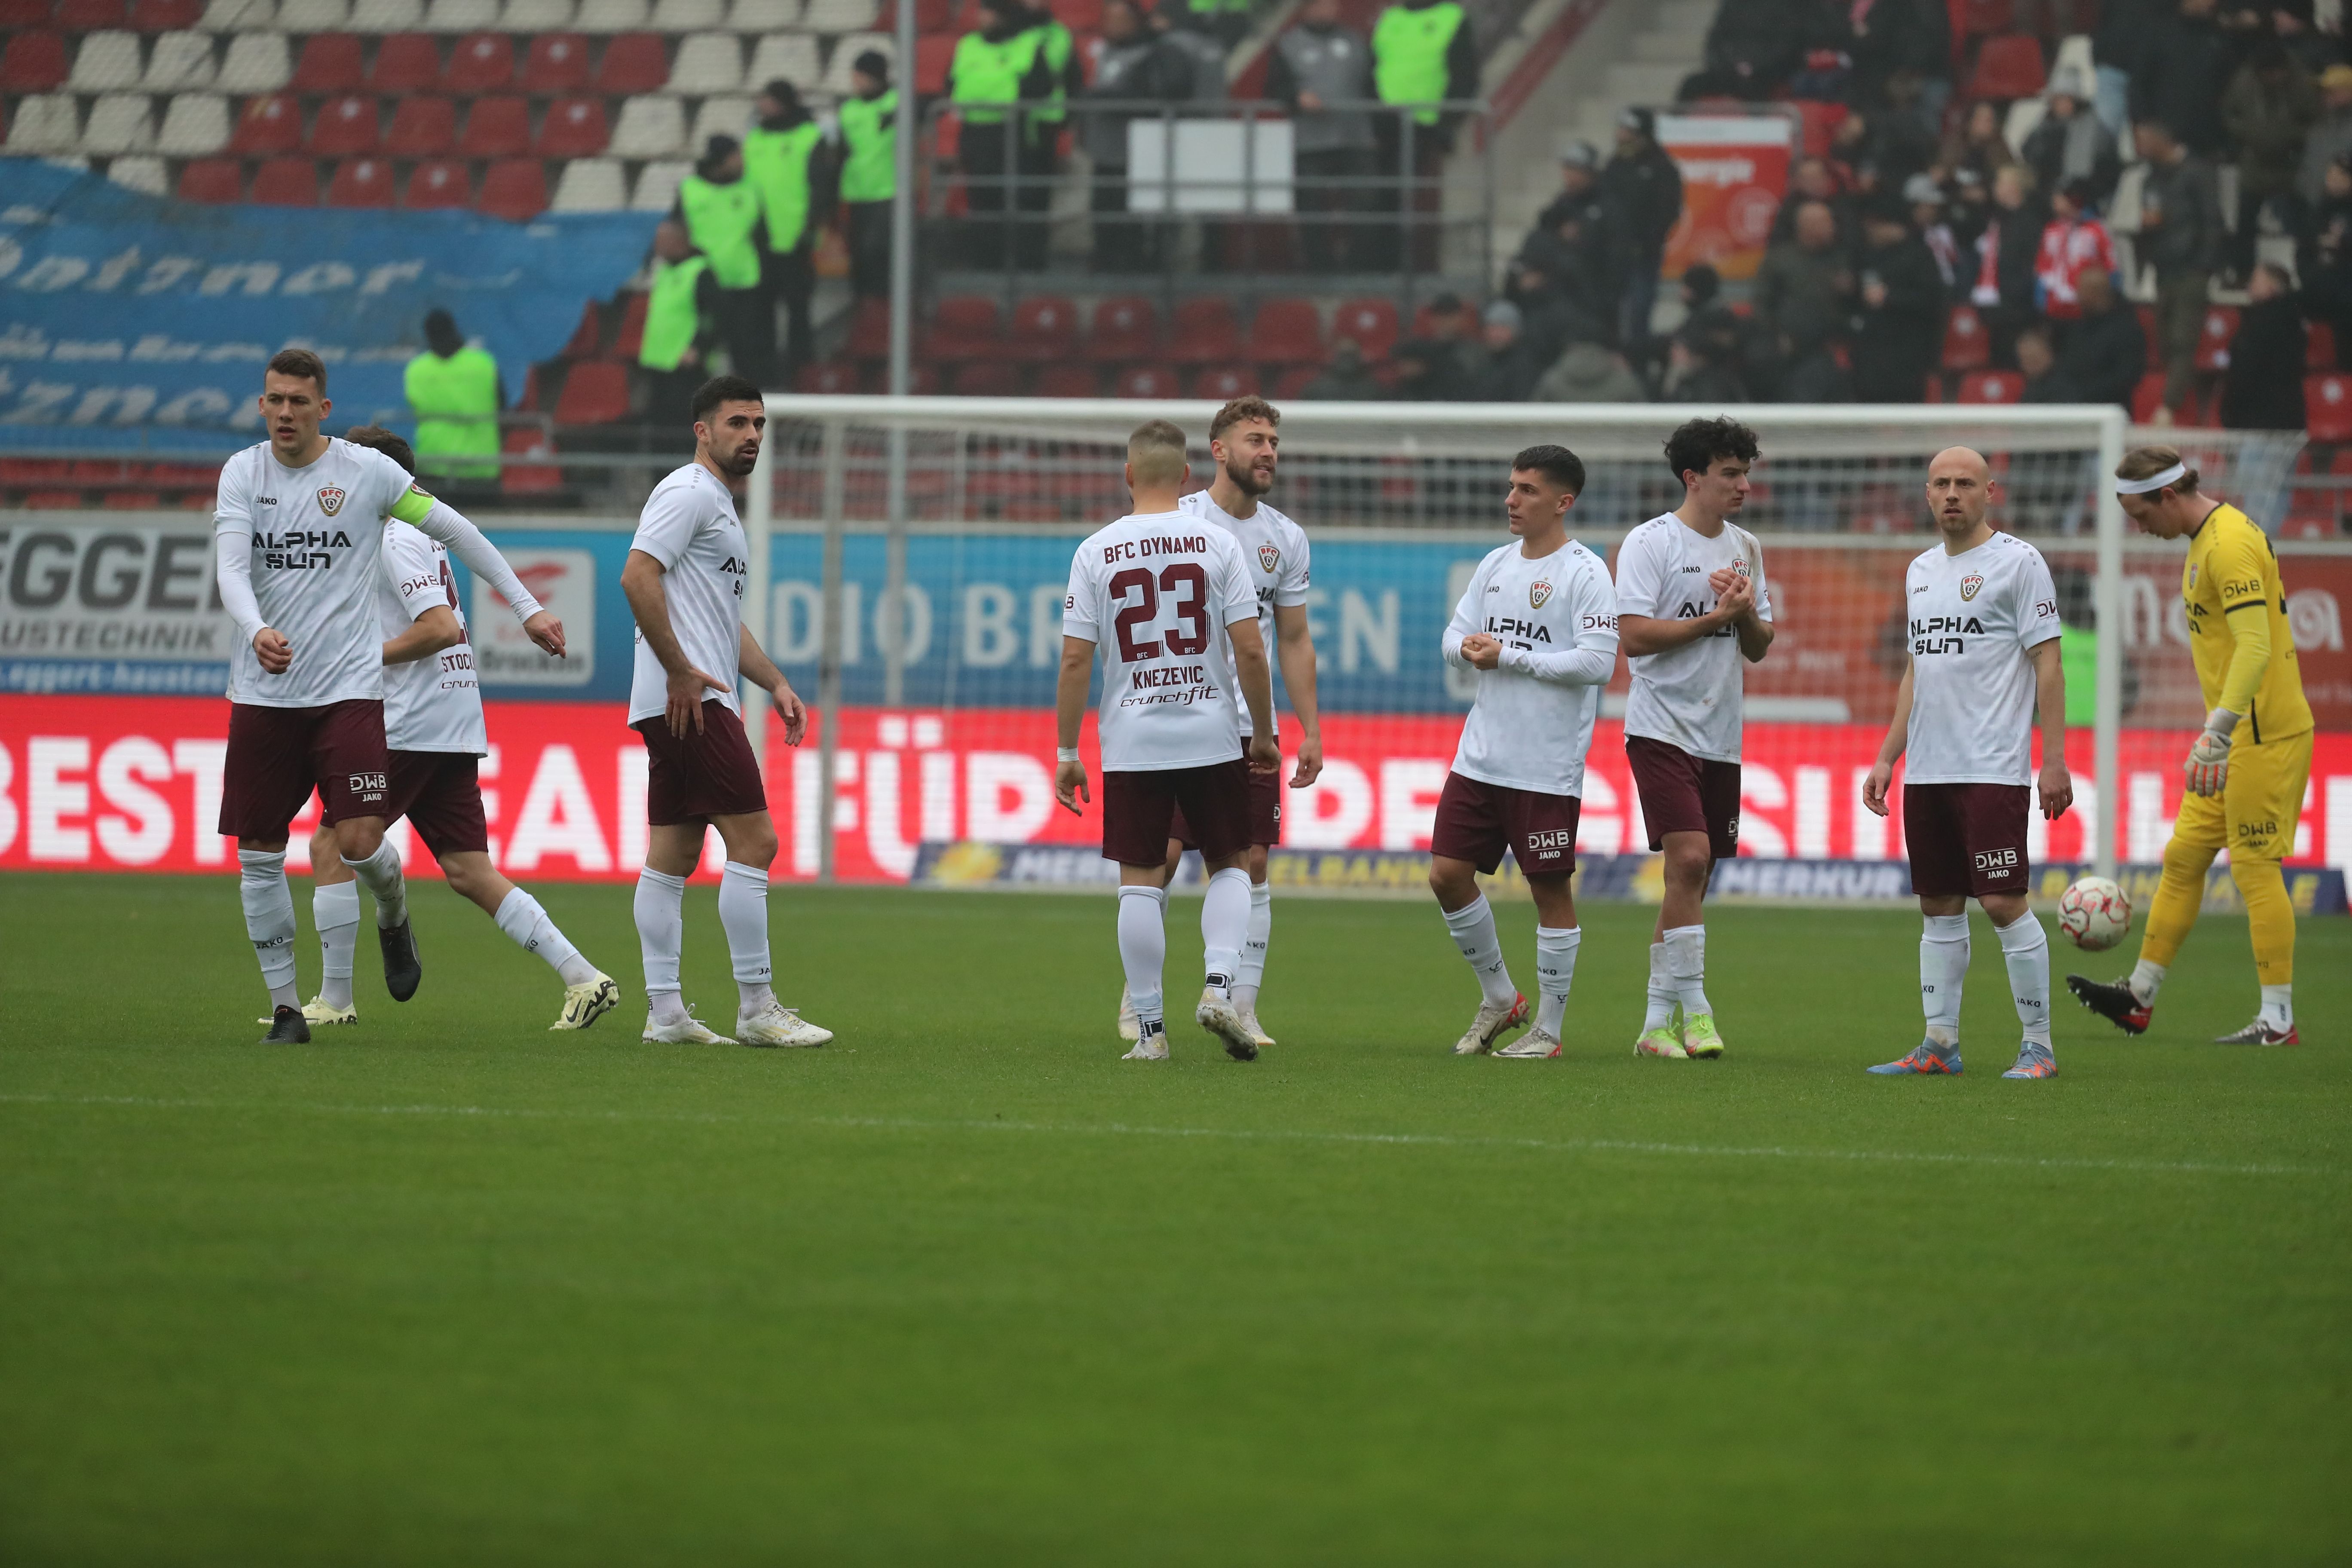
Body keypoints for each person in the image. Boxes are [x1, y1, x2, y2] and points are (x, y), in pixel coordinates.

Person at [213, 348, 562, 1043]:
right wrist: (256, 630)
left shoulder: (367, 473)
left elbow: (458, 530)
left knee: (360, 838)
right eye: (274, 400)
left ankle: (394, 910)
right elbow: (231, 567)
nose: (285, 412)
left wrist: (525, 606)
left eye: (298, 402)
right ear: (262, 405)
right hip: (265, 691)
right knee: (259, 848)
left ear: (324, 409)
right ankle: (288, 1009)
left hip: (347, 692)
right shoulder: (243, 473)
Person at [284, 426, 617, 1034]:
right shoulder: (415, 533)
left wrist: (358, 658)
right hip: (452, 718)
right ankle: (583, 977)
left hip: (407, 721)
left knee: (332, 844)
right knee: (469, 871)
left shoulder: (392, 537)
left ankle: (338, 995)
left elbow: (437, 627)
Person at [2067, 447, 2316, 1047]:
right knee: (2183, 860)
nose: (2138, 527)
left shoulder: (2226, 545)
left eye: (2140, 514)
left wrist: (2218, 730)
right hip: (2233, 738)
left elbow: (2256, 647)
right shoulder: (2208, 539)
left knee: (2257, 869)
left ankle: (2278, 1019)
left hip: (2261, 735)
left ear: (2169, 497)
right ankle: (2139, 997)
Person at [1052, 420, 1280, 1061]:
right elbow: (1251, 650)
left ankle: (1150, 1034)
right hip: (1212, 733)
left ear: (1128, 475)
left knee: (1140, 885)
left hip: (1132, 740)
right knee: (1231, 862)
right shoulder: (1217, 544)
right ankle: (1217, 986)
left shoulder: (1096, 550)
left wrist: (1069, 755)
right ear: (1186, 477)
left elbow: (1075, 662)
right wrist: (1261, 734)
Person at [619, 375, 826, 1048]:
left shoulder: (716, 505)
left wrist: (774, 682)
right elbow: (636, 575)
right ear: (703, 431)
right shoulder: (686, 492)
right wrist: (680, 671)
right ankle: (757, 1006)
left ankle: (666, 1013)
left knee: (674, 853)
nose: (753, 436)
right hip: (693, 697)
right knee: (757, 842)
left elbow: (722, 621)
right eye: (738, 423)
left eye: (760, 424)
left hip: (685, 693)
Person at [1114, 398, 1323, 1054]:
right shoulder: (1178, 523)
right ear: (1218, 450)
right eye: (1255, 439)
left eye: (1274, 441)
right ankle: (1140, 993)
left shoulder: (1286, 538)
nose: (1268, 451)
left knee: (1253, 860)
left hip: (1246, 726)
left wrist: (1308, 728)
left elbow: (1291, 637)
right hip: (1179, 716)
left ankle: (1239, 1004)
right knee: (1165, 859)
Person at [1862, 448, 2070, 1080]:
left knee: (2003, 902)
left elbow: (2049, 665)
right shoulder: (1920, 570)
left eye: (1966, 484)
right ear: (1927, 495)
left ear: (1990, 493)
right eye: (1942, 484)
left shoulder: (2019, 562)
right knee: (1939, 904)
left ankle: (2039, 1046)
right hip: (1928, 769)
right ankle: (1940, 1044)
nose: (1953, 493)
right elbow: (1916, 670)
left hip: (1992, 767)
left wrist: (2055, 761)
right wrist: (1887, 755)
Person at [1428, 444, 1618, 1060]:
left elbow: (1598, 663)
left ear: (1563, 502)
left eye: (1528, 490)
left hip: (1544, 767)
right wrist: (1472, 649)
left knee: (1549, 892)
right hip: (1480, 758)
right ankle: (1500, 997)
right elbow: (1453, 636)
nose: (1512, 500)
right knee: (1447, 876)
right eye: (1512, 487)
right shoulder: (1495, 565)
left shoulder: (1586, 573)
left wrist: (1507, 655)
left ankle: (1550, 1032)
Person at [1613, 418, 1773, 1061]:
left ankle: (1656, 1026)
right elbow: (1633, 637)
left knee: (1692, 880)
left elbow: (1759, 647)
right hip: (1658, 728)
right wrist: (1716, 618)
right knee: (1686, 862)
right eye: (1730, 474)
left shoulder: (1747, 548)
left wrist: (1743, 613)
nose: (1742, 486)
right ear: (1693, 477)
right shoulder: (1650, 543)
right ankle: (1699, 1013)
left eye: (1745, 473)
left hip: (1720, 736)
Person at [1268, 0, 1378, 271]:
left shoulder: (1355, 41)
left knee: (1367, 204)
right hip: (1309, 142)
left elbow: (1372, 85)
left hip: (1355, 138)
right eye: (1318, 5)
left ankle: (1357, 268)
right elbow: (1273, 87)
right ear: (1304, 9)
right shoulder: (1288, 44)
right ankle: (1319, 269)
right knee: (1312, 208)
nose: (1326, 10)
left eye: (1330, 5)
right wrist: (1296, 98)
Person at [1368, 0, 1476, 271]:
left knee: (1405, 199)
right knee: (1379, 198)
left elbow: (1465, 75)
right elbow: (1370, 68)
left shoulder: (1451, 17)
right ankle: (1382, 267)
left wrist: (1448, 123)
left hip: (1424, 125)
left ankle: (1398, 269)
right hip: (1383, 125)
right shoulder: (1390, 18)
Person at [950, 0, 1057, 270]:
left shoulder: (1029, 45)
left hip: (1017, 135)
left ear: (1004, 16)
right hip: (977, 137)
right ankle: (987, 266)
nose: (982, 18)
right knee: (984, 202)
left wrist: (981, 87)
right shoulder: (967, 45)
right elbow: (952, 88)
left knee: (1025, 202)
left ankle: (1029, 268)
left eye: (988, 13)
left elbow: (1040, 87)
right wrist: (1007, 84)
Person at [1079, 0, 1185, 273]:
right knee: (1103, 210)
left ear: (1135, 22)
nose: (1111, 25)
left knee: (1133, 215)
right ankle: (1105, 261)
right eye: (1107, 19)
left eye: (1119, 19)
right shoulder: (1103, 52)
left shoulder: (1154, 53)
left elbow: (1153, 94)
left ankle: (1134, 267)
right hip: (1104, 149)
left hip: (1138, 151)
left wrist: (1102, 99)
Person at [2134, 119, 2223, 422]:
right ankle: (2182, 401)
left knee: (2184, 340)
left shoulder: (2198, 173)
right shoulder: (2152, 179)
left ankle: (2169, 408)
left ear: (2163, 138)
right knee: (2164, 342)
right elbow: (2147, 222)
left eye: (2145, 138)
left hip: (2191, 270)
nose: (2140, 146)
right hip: (2164, 270)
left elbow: (2212, 220)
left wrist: (2204, 265)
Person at [672, 135, 772, 386]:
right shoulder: (690, 190)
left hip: (744, 283)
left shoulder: (751, 188)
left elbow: (762, 237)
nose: (742, 161)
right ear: (722, 160)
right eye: (736, 156)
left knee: (747, 354)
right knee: (702, 353)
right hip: (704, 287)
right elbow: (678, 233)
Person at [744, 80, 827, 383]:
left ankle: (801, 373)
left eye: (766, 99)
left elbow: (821, 186)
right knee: (761, 311)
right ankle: (766, 375)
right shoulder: (754, 138)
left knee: (798, 310)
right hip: (759, 237)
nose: (761, 105)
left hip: (796, 237)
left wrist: (812, 226)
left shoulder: (809, 137)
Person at [2220, 42, 2319, 282]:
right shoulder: (2244, 82)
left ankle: (2306, 274)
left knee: (2302, 226)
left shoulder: (2303, 82)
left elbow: (2317, 121)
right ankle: (2242, 273)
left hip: (2291, 166)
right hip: (2255, 165)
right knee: (2245, 225)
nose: (2271, 78)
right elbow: (2228, 113)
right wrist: (2249, 133)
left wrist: (2290, 135)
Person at [1599, 108, 1685, 355]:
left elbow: (1668, 210)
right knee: (1611, 309)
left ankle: (1637, 358)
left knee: (1638, 312)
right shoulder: (1615, 165)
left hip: (1642, 255)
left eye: (1626, 132)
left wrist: (1645, 241)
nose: (1620, 136)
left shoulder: (1662, 167)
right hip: (1614, 253)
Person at [1853, 196, 1945, 401]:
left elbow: (1932, 299)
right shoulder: (1866, 255)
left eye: (1877, 225)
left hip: (1908, 351)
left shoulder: (1919, 256)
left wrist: (1890, 297)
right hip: (1870, 351)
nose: (1871, 231)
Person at [401, 309, 501, 486]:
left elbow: (414, 406)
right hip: (480, 469)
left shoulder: (416, 370)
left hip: (433, 465)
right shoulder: (484, 364)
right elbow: (503, 408)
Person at [637, 219, 720, 423]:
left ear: (678, 242)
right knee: (659, 420)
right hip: (659, 360)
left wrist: (699, 348)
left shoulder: (701, 272)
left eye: (661, 241)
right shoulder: (665, 270)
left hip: (684, 364)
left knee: (682, 421)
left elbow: (716, 317)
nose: (656, 246)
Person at [1970, 163, 2046, 368]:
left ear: (2016, 187)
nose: (1995, 187)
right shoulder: (1998, 221)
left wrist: (2012, 294)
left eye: (2001, 182)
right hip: (1998, 312)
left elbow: (2034, 268)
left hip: (2018, 314)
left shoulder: (2030, 224)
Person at [836, 52, 896, 300]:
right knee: (860, 255)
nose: (856, 82)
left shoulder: (897, 102)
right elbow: (842, 151)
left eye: (860, 76)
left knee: (880, 253)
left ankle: (885, 308)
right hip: (857, 192)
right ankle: (863, 308)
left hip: (889, 191)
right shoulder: (848, 109)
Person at [2221, 262, 2310, 429]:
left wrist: (2229, 410)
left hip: (2256, 420)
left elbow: (2246, 370)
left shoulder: (2259, 324)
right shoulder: (2296, 322)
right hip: (2289, 419)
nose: (2250, 285)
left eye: (2256, 280)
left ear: (2272, 286)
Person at [2045, 267, 2147, 407]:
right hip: (2073, 410)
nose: (2078, 297)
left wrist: (2083, 394)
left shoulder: (2126, 330)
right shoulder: (2079, 327)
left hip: (2110, 412)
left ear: (2096, 293)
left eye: (2082, 291)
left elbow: (2127, 377)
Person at [2021, 65, 2121, 206]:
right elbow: (2030, 159)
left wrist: (2074, 195)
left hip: (2085, 202)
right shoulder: (2043, 130)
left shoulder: (2096, 133)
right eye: (2058, 99)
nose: (2061, 105)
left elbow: (2107, 172)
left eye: (2066, 99)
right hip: (2048, 201)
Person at [2034, 177, 2117, 325]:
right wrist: (2041, 299)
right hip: (2054, 306)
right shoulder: (2052, 229)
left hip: (2084, 306)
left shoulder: (2096, 229)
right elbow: (2043, 266)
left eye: (2061, 196)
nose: (2056, 200)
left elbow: (2111, 265)